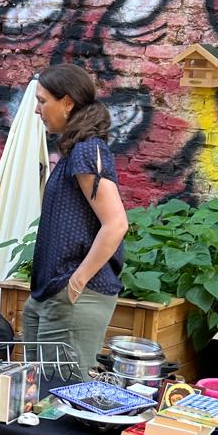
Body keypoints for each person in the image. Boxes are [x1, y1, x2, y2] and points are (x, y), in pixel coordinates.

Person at [24, 64, 129, 381]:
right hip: (50, 293)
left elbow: (116, 224)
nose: (37, 110)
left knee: (62, 398)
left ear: (67, 103)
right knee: (38, 396)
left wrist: (76, 282)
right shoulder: (77, 150)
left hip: (74, 297)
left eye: (42, 101)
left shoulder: (87, 150)